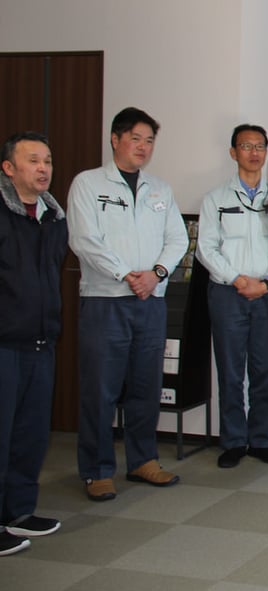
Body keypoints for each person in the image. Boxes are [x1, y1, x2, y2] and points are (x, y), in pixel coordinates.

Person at [68, 107, 188, 502]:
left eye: (149, 140)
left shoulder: (160, 189)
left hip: (150, 301)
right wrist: (125, 274)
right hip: (106, 300)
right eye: (136, 138)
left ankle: (142, 460)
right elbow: (84, 240)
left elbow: (178, 239)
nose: (143, 147)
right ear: (115, 139)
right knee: (100, 389)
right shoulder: (88, 184)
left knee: (145, 387)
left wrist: (155, 273)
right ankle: (97, 470)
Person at [197, 124, 268, 469]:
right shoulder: (216, 199)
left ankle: (261, 439)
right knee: (231, 369)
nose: (254, 152)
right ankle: (234, 441)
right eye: (246, 146)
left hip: (267, 293)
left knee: (264, 367)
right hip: (227, 293)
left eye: (259, 146)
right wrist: (236, 279)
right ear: (233, 152)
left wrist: (267, 281)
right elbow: (206, 248)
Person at [0, 132, 69, 556]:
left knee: (30, 434)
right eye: (33, 160)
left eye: (47, 161)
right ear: (8, 168)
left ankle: (19, 511)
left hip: (41, 340)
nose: (43, 168)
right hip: (4, 342)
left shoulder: (53, 217)